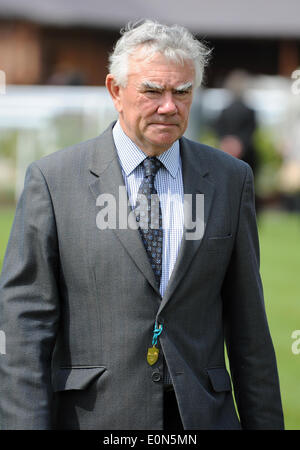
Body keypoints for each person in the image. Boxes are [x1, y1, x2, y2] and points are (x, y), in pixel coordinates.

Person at [0, 20, 284, 430]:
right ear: (116, 91)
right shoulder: (54, 180)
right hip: (95, 419)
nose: (169, 105)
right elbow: (25, 330)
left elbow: (250, 331)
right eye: (153, 90)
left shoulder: (229, 179)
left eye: (182, 92)